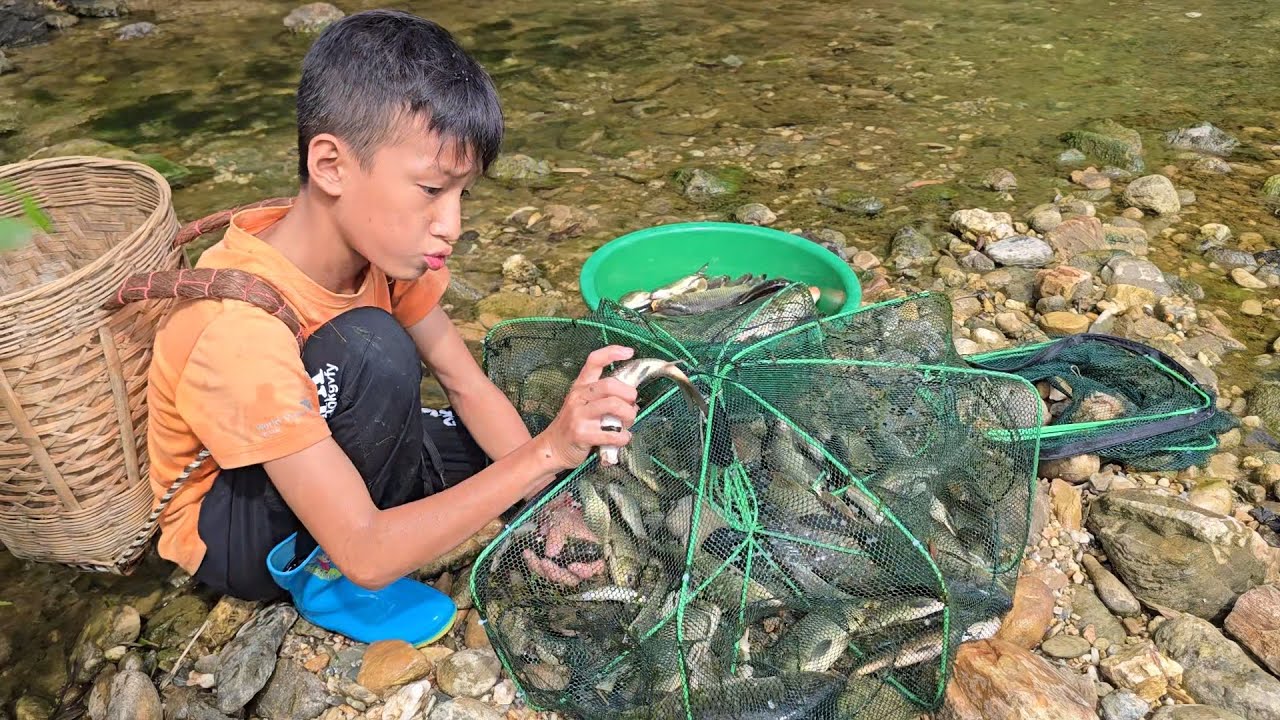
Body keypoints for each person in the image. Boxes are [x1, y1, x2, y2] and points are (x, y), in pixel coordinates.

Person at [143, 8, 635, 642]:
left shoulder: (385, 251)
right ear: (331, 166)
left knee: (489, 436)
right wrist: (548, 452)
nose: (451, 226)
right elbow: (369, 553)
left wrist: (546, 501)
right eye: (430, 189)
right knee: (375, 347)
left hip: (327, 422)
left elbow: (466, 384)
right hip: (233, 526)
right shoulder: (235, 330)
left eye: (463, 195)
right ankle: (321, 574)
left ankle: (444, 510)